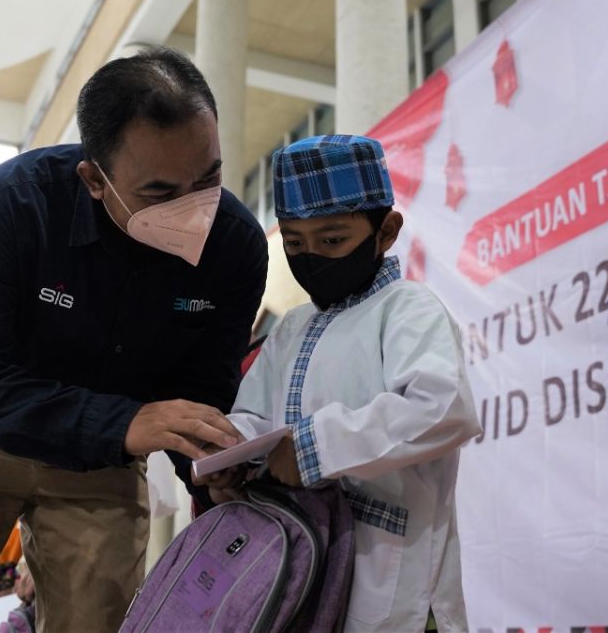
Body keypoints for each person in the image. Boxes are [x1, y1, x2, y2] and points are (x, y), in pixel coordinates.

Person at [0, 46, 267, 632]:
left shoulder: (235, 245)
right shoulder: (11, 204)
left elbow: (204, 387)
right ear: (94, 180)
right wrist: (122, 423)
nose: (193, 210)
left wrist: (211, 467)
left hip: (102, 456)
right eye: (160, 192)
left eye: (208, 178)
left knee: (98, 622)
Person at [200, 134, 481, 632]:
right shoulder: (292, 326)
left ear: (386, 231)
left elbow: (442, 408)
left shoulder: (408, 308)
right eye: (294, 244)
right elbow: (255, 416)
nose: (312, 257)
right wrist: (232, 454)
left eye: (332, 241)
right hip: (304, 569)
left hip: (397, 580)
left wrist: (312, 448)